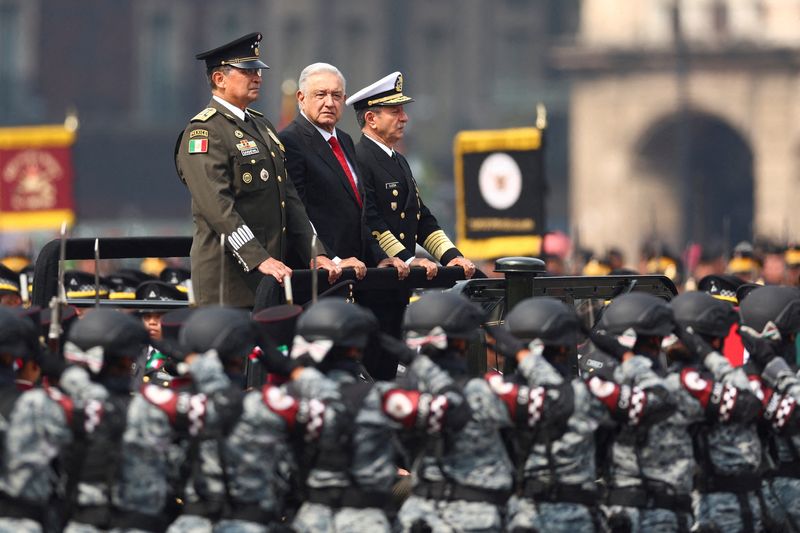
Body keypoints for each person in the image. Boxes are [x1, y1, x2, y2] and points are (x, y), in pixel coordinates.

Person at [174, 32, 340, 307]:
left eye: (258, 71)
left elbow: (290, 200)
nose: (257, 77)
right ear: (219, 79)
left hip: (271, 277)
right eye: (248, 71)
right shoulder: (204, 132)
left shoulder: (262, 126)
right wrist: (258, 257)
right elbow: (218, 209)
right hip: (228, 284)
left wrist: (315, 251)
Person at [278, 63, 408, 279]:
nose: (329, 102)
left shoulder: (345, 141)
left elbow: (359, 213)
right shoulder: (290, 141)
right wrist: (331, 259)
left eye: (336, 96)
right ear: (301, 98)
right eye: (320, 95)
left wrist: (379, 256)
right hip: (319, 273)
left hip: (355, 270)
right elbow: (296, 214)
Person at [347, 72, 475, 281]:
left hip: (400, 278)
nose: (404, 118)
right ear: (371, 119)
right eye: (395, 112)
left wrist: (452, 257)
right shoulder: (358, 159)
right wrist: (407, 259)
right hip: (375, 277)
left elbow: (421, 217)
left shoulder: (399, 160)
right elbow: (371, 222)